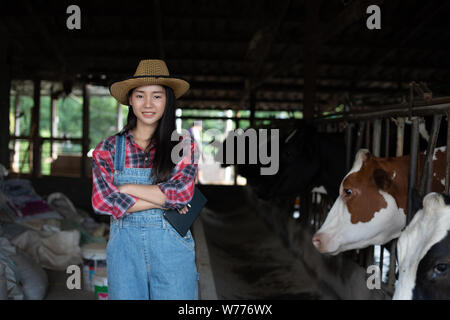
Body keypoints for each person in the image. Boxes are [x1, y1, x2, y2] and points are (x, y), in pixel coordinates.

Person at [91, 59, 200, 300]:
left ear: (168, 100)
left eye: (157, 96)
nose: (148, 104)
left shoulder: (184, 146)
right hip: (124, 256)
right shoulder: (108, 148)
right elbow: (101, 202)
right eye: (140, 96)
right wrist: (164, 199)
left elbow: (182, 194)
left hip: (172, 253)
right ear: (130, 99)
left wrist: (125, 187)